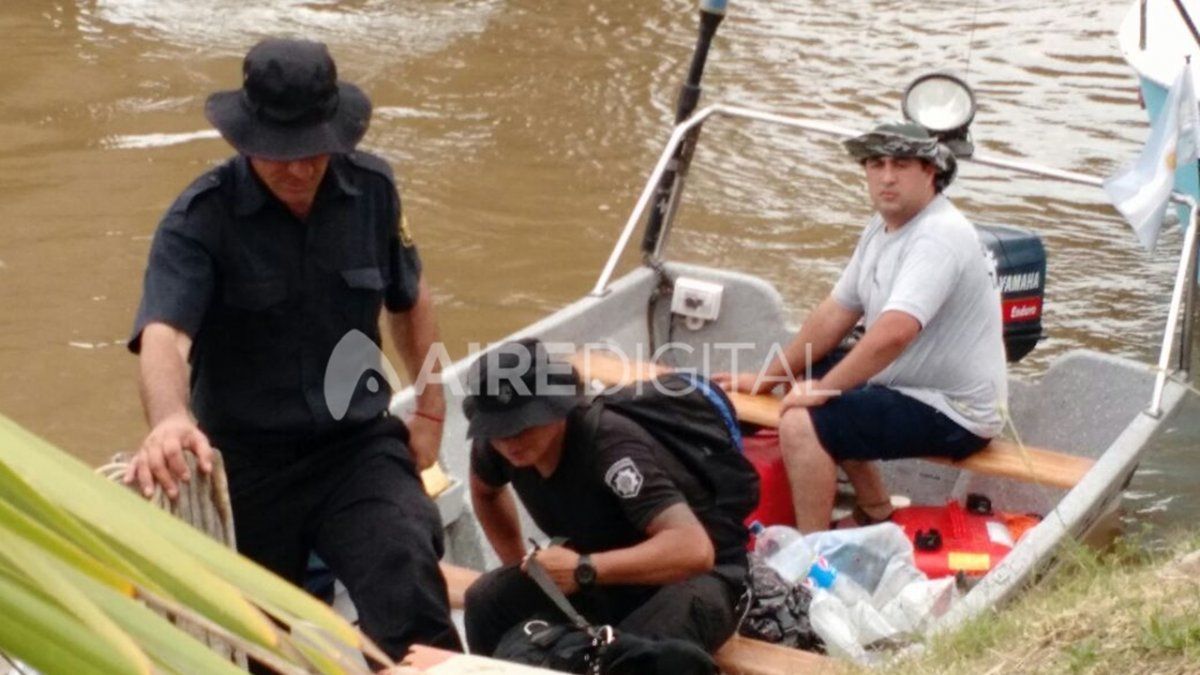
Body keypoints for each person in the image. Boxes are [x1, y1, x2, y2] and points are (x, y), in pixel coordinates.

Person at [124, 38, 461, 657]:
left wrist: (433, 407)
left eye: (315, 151)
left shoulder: (374, 191)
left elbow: (410, 300)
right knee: (257, 635)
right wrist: (171, 419)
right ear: (244, 138)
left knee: (406, 564)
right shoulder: (198, 220)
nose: (300, 169)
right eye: (280, 154)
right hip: (247, 461)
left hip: (354, 445)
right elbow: (164, 334)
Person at [715, 121, 1007, 533]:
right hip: (907, 382)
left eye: (902, 164)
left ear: (931, 172)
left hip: (954, 410)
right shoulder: (882, 226)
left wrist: (824, 390)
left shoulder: (939, 235)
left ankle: (810, 557)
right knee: (804, 371)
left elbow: (894, 332)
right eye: (876, 163)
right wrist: (767, 377)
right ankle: (875, 509)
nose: (887, 177)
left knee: (803, 420)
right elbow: (836, 311)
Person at [461, 339, 745, 672]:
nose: (510, 441)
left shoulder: (610, 446)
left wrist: (584, 567)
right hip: (598, 573)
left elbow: (695, 550)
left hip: (692, 578)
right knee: (485, 601)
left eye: (523, 426)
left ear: (556, 408)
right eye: (498, 430)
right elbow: (486, 493)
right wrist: (521, 563)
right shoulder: (497, 447)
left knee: (630, 654)